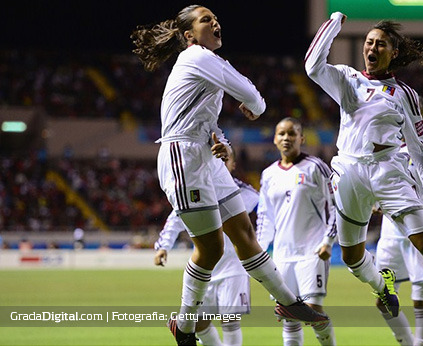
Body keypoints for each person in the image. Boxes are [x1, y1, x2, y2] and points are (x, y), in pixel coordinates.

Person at [131, 5, 327, 345]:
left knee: (244, 233)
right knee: (211, 248)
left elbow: (205, 120)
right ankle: (185, 323)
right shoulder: (198, 58)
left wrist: (222, 142)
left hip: (205, 156)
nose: (216, 22)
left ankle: (288, 303)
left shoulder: (203, 65)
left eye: (216, 18)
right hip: (183, 157)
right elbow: (252, 96)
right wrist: (257, 106)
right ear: (189, 35)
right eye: (206, 19)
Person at [304, 12, 423, 318]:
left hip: (388, 169)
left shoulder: (405, 95)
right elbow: (312, 65)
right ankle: (381, 286)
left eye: (380, 44)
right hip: (350, 170)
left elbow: (419, 145)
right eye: (369, 42)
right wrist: (335, 22)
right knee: (352, 256)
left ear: (393, 53)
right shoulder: (347, 79)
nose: (373, 48)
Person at [154, 150, 258, 346]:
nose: (220, 162)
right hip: (206, 269)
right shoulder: (197, 190)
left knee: (230, 322)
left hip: (233, 268)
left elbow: (266, 217)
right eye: (217, 158)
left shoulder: (248, 194)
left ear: (233, 165)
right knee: (198, 323)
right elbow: (176, 218)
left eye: (225, 159)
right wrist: (163, 246)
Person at [375, 97, 423, 346]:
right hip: (390, 235)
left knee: (422, 295)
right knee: (383, 299)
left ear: (421, 118)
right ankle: (408, 342)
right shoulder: (385, 146)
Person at [256, 117, 337, 346]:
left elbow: (336, 207)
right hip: (282, 255)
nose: (286, 138)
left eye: (291, 134)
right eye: (281, 134)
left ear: (301, 138)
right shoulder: (268, 174)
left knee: (313, 311)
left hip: (312, 252)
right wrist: (260, 251)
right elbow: (265, 217)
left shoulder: (316, 167)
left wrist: (328, 241)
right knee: (288, 317)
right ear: (274, 139)